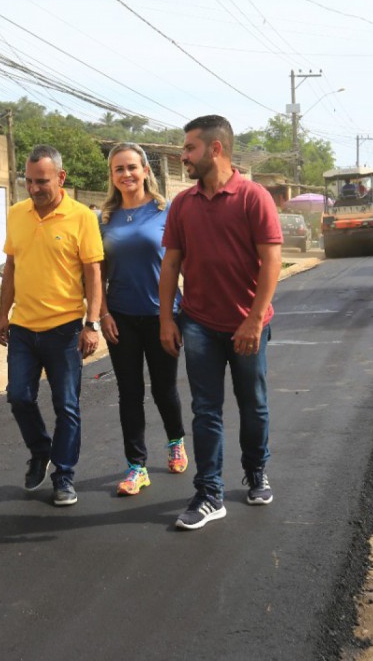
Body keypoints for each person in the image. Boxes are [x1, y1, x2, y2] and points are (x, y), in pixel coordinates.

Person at [159, 115, 283, 531]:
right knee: (206, 409)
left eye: (190, 148)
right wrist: (166, 319)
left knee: (254, 404)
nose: (184, 156)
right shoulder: (182, 204)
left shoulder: (253, 197)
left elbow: (271, 262)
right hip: (198, 324)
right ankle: (209, 493)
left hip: (249, 325)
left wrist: (252, 321)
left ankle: (256, 471)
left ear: (216, 149)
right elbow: (171, 263)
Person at [0, 145, 104, 507]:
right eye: (28, 180)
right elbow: (11, 267)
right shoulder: (16, 213)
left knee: (66, 406)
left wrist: (92, 324)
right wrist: (2, 313)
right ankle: (41, 450)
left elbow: (92, 273)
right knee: (19, 396)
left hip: (65, 329)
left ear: (61, 178)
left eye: (41, 181)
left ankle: (64, 476)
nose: (34, 188)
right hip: (23, 328)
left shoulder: (81, 217)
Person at [97, 142, 187, 497]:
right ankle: (137, 466)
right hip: (121, 316)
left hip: (163, 315)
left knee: (165, 388)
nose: (126, 174)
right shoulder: (103, 219)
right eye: (118, 169)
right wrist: (102, 314)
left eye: (132, 167)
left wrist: (182, 313)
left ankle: (176, 441)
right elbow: (97, 273)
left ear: (146, 170)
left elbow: (184, 262)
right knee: (129, 393)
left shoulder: (166, 212)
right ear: (112, 176)